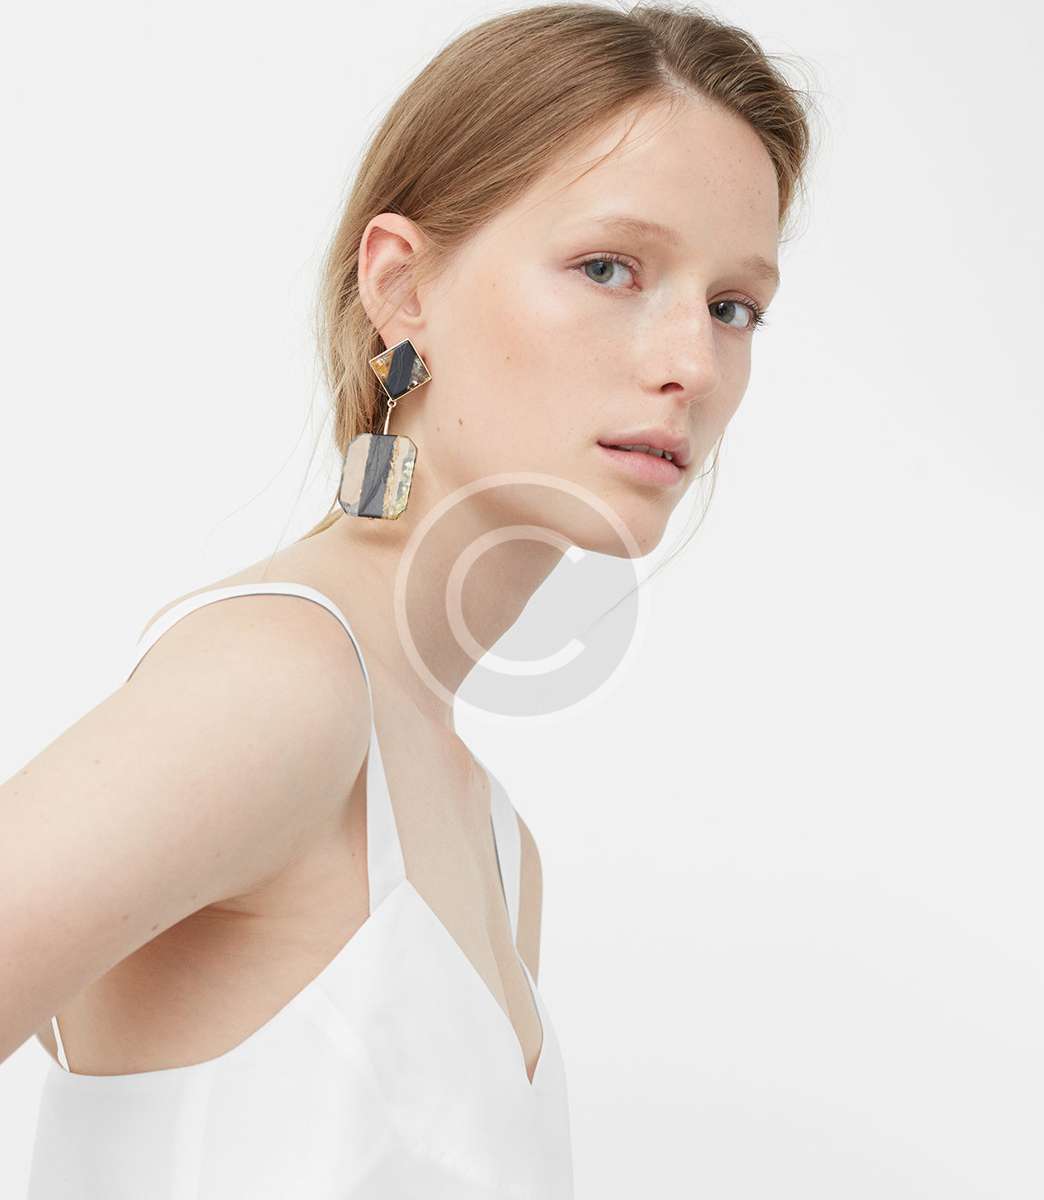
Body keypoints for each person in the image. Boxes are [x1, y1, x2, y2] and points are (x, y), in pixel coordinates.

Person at [3, 3, 815, 1195]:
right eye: (609, 268)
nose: (692, 364)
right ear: (401, 285)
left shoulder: (498, 847)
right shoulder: (282, 689)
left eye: (732, 305)